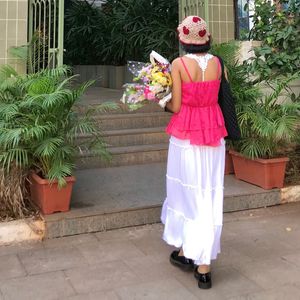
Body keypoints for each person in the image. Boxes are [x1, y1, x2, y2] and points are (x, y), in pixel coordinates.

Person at [160, 15, 228, 289]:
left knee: (186, 192)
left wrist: (161, 101)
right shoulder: (218, 63)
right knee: (208, 192)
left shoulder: (178, 64)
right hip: (213, 131)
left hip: (187, 134)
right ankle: (202, 264)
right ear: (206, 39)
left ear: (182, 40)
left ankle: (191, 251)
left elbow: (176, 106)